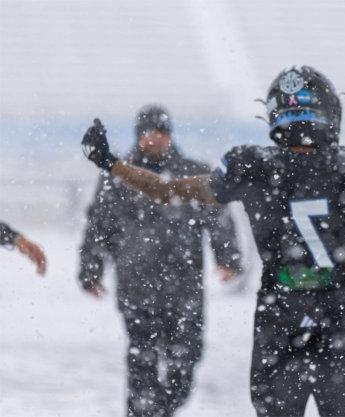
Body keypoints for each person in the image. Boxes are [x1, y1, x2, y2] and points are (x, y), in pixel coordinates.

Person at [81, 66, 345, 417]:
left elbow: (167, 189)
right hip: (336, 314)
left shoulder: (253, 167)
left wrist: (113, 165)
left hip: (279, 316)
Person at [78, 105, 242, 417]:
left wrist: (228, 257)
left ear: (170, 135)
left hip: (185, 289)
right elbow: (98, 226)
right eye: (148, 133)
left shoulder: (192, 172)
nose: (154, 139)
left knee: (186, 364)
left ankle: (158, 412)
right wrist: (91, 270)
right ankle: (142, 412)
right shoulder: (117, 177)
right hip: (136, 286)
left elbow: (218, 217)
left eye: (161, 132)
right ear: (139, 135)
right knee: (143, 363)